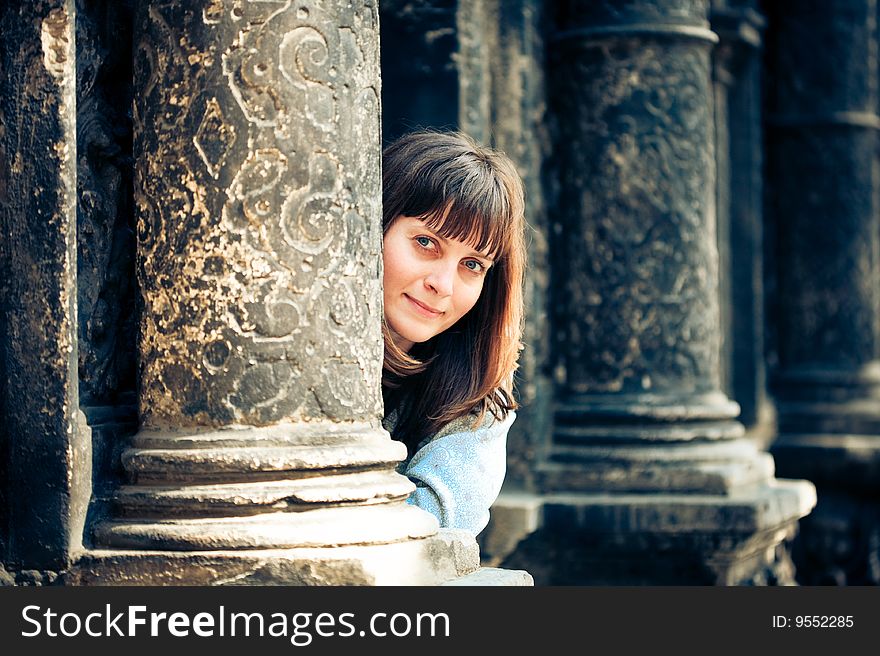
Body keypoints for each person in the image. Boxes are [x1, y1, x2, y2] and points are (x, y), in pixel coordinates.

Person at [380, 130, 527, 537]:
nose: (443, 284)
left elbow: (430, 532)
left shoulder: (478, 404)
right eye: (426, 242)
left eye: (473, 264)